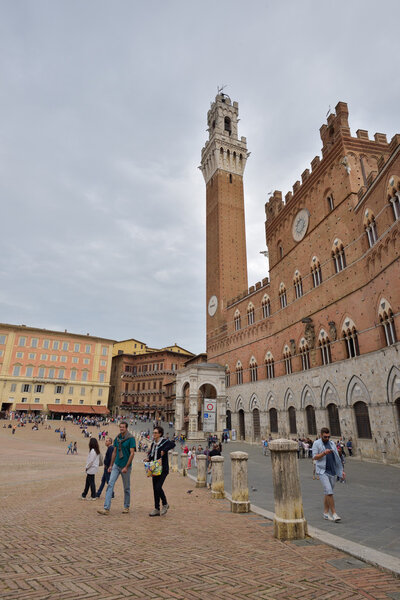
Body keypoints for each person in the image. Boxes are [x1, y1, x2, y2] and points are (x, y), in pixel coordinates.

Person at [97, 421, 136, 515]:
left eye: (123, 427)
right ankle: (106, 508)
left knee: (126, 487)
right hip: (116, 465)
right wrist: (111, 465)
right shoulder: (118, 438)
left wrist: (126, 466)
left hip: (126, 466)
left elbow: (132, 453)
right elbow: (114, 452)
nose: (121, 428)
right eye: (120, 427)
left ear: (126, 428)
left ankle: (126, 506)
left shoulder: (131, 438)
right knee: (110, 484)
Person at [312, 427, 344, 522]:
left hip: (332, 471)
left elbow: (337, 458)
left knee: (327, 492)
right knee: (329, 491)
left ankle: (325, 513)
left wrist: (341, 470)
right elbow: (314, 457)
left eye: (328, 436)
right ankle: (334, 513)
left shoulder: (331, 443)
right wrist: (323, 453)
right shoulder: (316, 443)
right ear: (321, 435)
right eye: (325, 437)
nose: (327, 438)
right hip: (322, 471)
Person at [148, 426, 175, 517]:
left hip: (163, 469)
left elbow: (172, 444)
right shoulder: (153, 444)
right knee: (154, 488)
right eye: (153, 432)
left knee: (158, 487)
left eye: (155, 433)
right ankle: (156, 508)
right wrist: (148, 459)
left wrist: (164, 450)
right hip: (154, 468)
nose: (154, 434)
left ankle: (165, 503)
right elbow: (152, 455)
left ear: (160, 434)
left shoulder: (164, 442)